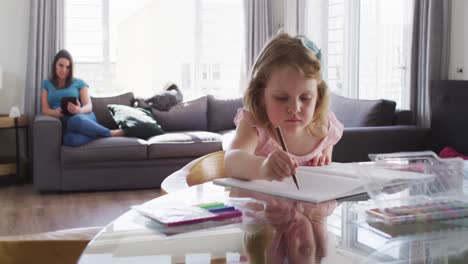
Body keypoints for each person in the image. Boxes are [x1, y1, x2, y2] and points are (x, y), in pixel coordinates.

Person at [225, 33, 344, 181]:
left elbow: (324, 178)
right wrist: (263, 167)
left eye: (305, 98)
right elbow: (231, 161)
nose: (294, 108)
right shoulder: (255, 126)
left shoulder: (323, 128)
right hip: (260, 203)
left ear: (318, 97)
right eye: (281, 98)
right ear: (261, 96)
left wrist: (322, 161)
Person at [41, 49, 124, 147]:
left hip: (83, 118)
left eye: (68, 67)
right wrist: (55, 113)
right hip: (66, 125)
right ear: (55, 65)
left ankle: (110, 133)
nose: (64, 70)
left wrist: (79, 110)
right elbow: (45, 109)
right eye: (61, 65)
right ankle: (99, 135)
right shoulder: (46, 83)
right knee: (70, 140)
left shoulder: (79, 82)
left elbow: (89, 106)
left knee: (75, 120)